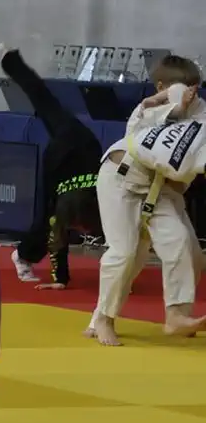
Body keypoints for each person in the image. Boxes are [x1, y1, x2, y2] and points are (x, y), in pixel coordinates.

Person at [88, 55, 206, 345]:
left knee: (183, 245)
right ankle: (103, 319)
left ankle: (176, 315)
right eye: (185, 87)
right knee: (126, 253)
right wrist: (168, 99)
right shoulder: (146, 110)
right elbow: (149, 131)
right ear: (162, 86)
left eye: (195, 87)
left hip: (162, 190)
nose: (192, 93)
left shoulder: (200, 111)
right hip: (120, 179)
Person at [0, 48, 102, 290]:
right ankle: (22, 255)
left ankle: (11, 60)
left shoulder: (107, 199)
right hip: (59, 159)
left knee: (45, 100)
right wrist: (60, 280)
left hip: (85, 144)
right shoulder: (61, 204)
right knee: (46, 218)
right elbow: (58, 238)